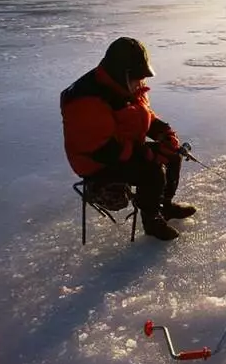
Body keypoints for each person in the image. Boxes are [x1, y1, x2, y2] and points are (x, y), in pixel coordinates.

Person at [60, 37, 196, 241]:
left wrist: (164, 133)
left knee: (172, 156)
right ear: (122, 72)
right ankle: (152, 221)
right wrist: (148, 153)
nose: (141, 81)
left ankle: (164, 206)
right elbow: (100, 148)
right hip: (97, 161)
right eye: (138, 76)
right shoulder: (86, 98)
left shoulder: (126, 86)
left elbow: (141, 116)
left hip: (124, 145)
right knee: (152, 170)